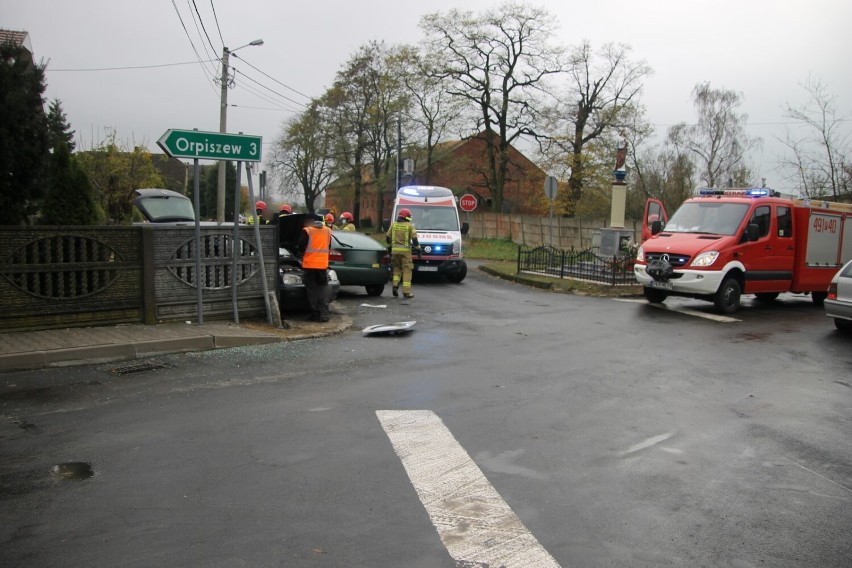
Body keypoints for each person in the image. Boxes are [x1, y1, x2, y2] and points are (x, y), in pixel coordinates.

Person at [296, 214, 332, 322]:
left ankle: (315, 314)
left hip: (310, 265)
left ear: (310, 221)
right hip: (322, 265)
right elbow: (329, 246)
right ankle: (324, 314)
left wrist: (302, 252)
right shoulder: (327, 230)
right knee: (323, 289)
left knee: (311, 290)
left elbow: (301, 245)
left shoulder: (308, 230)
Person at [386, 208, 419, 298]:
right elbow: (414, 239)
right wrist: (418, 250)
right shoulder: (409, 226)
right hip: (405, 253)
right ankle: (406, 292)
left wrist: (391, 245)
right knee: (407, 271)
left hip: (395, 252)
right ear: (407, 217)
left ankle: (395, 285)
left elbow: (387, 237)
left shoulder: (394, 225)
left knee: (397, 269)